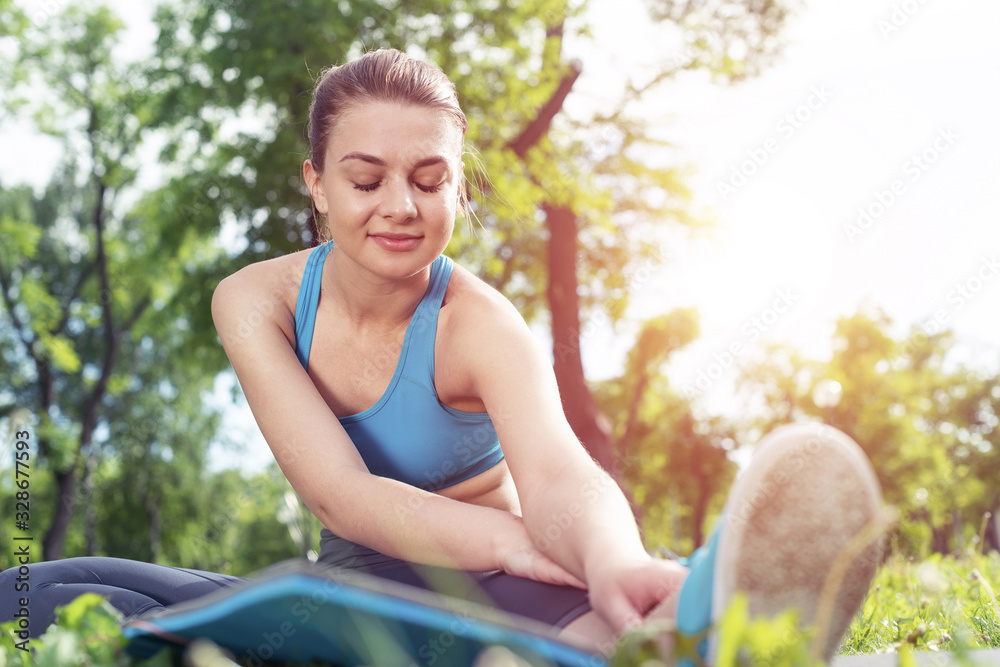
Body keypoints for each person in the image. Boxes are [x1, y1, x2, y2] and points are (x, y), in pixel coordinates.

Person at [0, 48, 884, 665]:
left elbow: (561, 474)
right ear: (314, 182)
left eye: (429, 181)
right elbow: (340, 494)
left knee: (591, 634)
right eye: (364, 177)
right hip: (358, 573)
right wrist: (516, 535)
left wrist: (604, 556)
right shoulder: (255, 300)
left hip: (499, 577)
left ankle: (690, 621)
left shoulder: (477, 322)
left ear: (460, 187)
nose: (399, 206)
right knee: (38, 591)